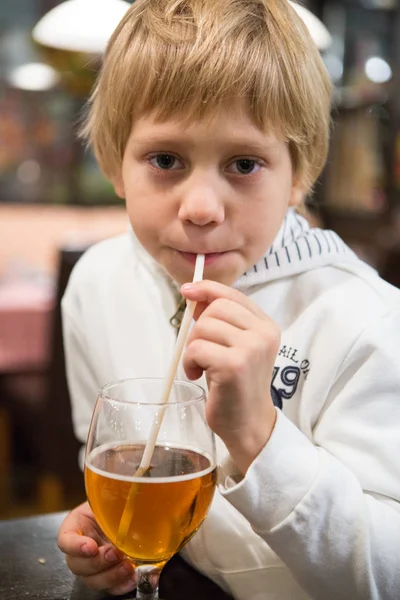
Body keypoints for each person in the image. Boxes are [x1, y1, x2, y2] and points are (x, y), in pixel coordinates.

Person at [57, 0, 400, 598]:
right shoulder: (96, 282)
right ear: (115, 164)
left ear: (298, 173)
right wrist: (114, 536)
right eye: (165, 160)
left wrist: (258, 435)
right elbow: (106, 455)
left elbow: (385, 575)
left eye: (244, 164)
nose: (200, 208)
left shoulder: (367, 321)